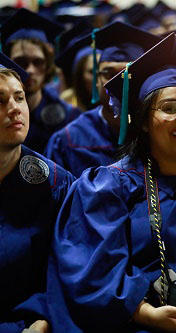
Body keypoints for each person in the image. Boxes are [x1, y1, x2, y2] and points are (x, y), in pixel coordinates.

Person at [46, 33, 176, 332]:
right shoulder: (108, 188)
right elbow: (88, 271)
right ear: (142, 120)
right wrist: (141, 312)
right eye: (169, 108)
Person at [0, 51, 75, 332]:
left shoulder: (56, 183)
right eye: (0, 100)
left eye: (19, 97)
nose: (15, 107)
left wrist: (42, 318)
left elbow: (70, 268)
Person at [44, 22, 161, 177]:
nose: (118, 83)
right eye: (108, 73)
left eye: (129, 74)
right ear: (96, 80)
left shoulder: (160, 132)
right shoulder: (67, 140)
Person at [1, 8, 81, 154]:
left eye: (38, 62)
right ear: (7, 63)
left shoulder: (69, 117)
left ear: (48, 65)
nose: (30, 70)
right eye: (21, 62)